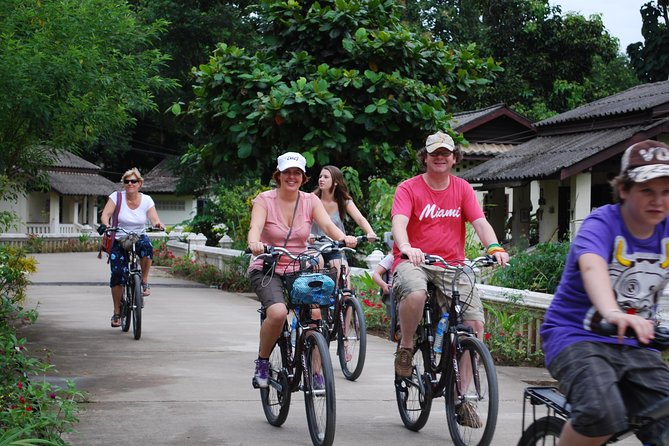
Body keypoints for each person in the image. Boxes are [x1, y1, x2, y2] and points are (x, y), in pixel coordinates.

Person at [540, 140, 669, 446]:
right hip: (576, 337)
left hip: (638, 344)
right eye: (647, 190)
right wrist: (612, 312)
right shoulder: (602, 223)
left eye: (666, 192)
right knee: (601, 412)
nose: (658, 201)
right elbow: (592, 267)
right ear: (624, 189)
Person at [391, 131, 509, 425]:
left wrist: (493, 247)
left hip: (451, 264)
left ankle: (461, 398)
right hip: (414, 260)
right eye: (435, 153)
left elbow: (480, 222)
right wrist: (406, 248)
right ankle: (406, 346)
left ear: (454, 158)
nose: (440, 158)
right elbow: (400, 222)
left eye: (446, 153)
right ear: (425, 157)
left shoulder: (462, 189)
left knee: (474, 325)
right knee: (416, 293)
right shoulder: (409, 188)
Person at [247, 153, 357, 388]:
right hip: (269, 267)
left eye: (297, 173)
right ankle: (263, 362)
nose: (292, 177)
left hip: (299, 266)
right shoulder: (264, 200)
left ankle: (317, 372)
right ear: (278, 175)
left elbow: (327, 225)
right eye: (287, 172)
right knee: (277, 313)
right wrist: (255, 243)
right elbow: (255, 226)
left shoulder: (310, 201)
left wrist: (343, 238)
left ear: (303, 177)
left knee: (315, 316)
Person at [98, 168, 164, 328]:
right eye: (126, 181)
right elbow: (105, 214)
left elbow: (154, 218)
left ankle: (144, 281)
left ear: (140, 183)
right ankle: (116, 312)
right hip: (119, 238)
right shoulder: (116, 197)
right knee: (118, 274)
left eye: (133, 181)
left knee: (147, 248)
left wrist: (158, 224)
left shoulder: (147, 200)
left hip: (137, 236)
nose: (129, 184)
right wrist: (106, 224)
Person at [311, 165, 377, 284]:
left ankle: (346, 300)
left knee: (343, 277)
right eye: (320, 176)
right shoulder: (311, 199)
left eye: (326, 177)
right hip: (313, 247)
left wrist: (370, 232)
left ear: (336, 182)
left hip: (335, 246)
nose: (321, 179)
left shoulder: (343, 201)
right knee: (317, 275)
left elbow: (359, 218)